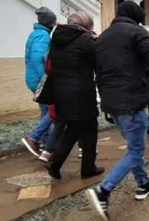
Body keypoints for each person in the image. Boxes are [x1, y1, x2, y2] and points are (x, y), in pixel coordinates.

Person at [86, 1, 149, 220]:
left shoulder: (103, 37)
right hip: (131, 102)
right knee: (135, 150)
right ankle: (103, 190)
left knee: (136, 145)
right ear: (136, 15)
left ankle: (143, 183)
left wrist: (106, 104)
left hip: (114, 103)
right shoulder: (137, 33)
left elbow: (100, 73)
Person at [45, 11, 104, 180]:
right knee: (90, 130)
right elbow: (97, 58)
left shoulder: (56, 39)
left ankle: (55, 164)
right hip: (81, 93)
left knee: (71, 129)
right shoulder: (85, 40)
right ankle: (88, 168)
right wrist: (96, 39)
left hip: (61, 92)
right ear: (86, 25)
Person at [22, 7, 56, 158]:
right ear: (49, 22)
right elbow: (37, 59)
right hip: (38, 80)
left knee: (45, 110)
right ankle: (34, 137)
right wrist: (46, 79)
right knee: (52, 110)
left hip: (33, 78)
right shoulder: (43, 36)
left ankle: (44, 143)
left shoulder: (35, 34)